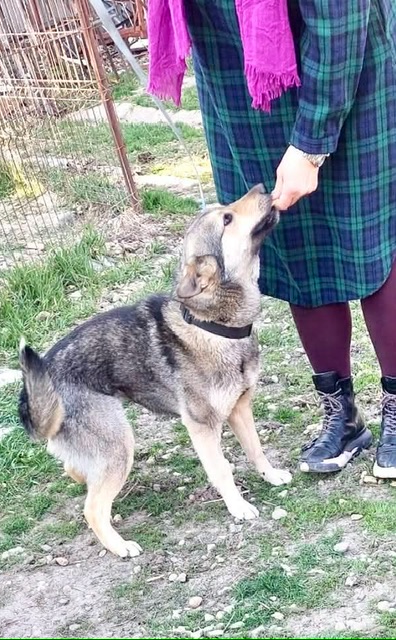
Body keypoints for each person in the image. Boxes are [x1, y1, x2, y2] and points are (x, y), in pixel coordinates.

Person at [147, 0, 396, 476]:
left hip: (348, 69)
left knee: (376, 241)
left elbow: (342, 19)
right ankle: (342, 416)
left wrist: (311, 143)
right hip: (242, 86)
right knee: (289, 244)